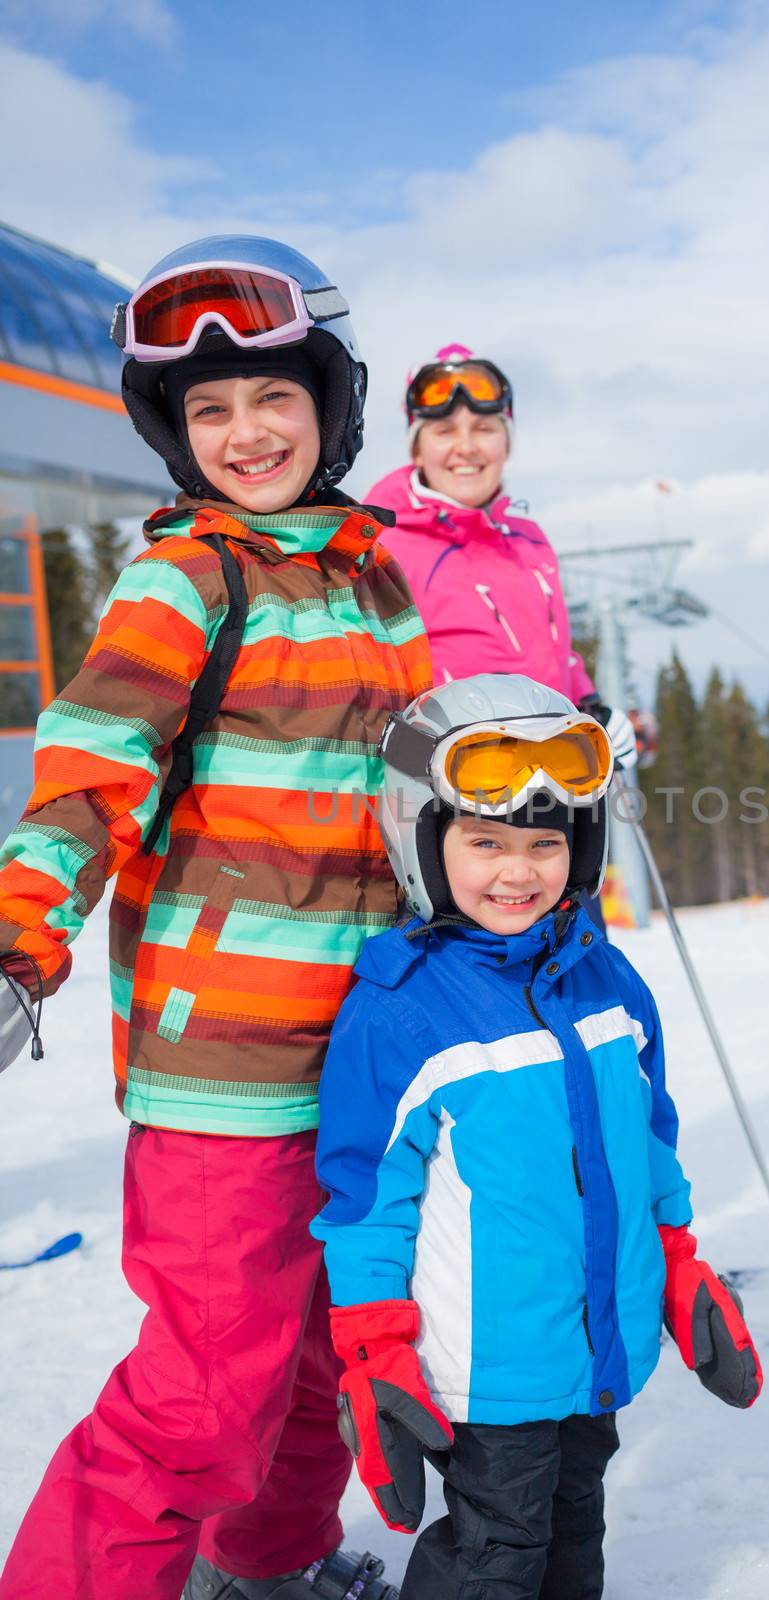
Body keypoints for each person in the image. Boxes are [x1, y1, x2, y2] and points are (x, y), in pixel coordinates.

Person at [0, 235, 430, 1600]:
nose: (245, 432)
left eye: (272, 397)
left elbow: (420, 805)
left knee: (316, 1358)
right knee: (200, 1394)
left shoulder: (375, 585)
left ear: (330, 404)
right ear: (174, 435)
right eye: (209, 410)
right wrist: (19, 941)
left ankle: (273, 1565)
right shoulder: (184, 582)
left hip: (357, 1058)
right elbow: (85, 776)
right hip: (222, 1077)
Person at [312, 673, 764, 1599]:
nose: (517, 872)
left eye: (543, 844)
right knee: (496, 1554)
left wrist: (676, 1263)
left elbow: (647, 1142)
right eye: (484, 843)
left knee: (574, 1531)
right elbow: (362, 1203)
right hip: (489, 1372)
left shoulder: (607, 983)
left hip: (595, 1344)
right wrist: (372, 1349)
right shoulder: (401, 1013)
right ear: (424, 840)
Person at [364, 345, 637, 772]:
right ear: (417, 449)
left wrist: (591, 706)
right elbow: (366, 687)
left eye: (485, 428)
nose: (467, 448)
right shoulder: (385, 546)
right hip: (456, 791)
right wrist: (422, 762)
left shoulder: (529, 541)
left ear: (507, 442)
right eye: (444, 431)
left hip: (553, 776)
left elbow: (554, 651)